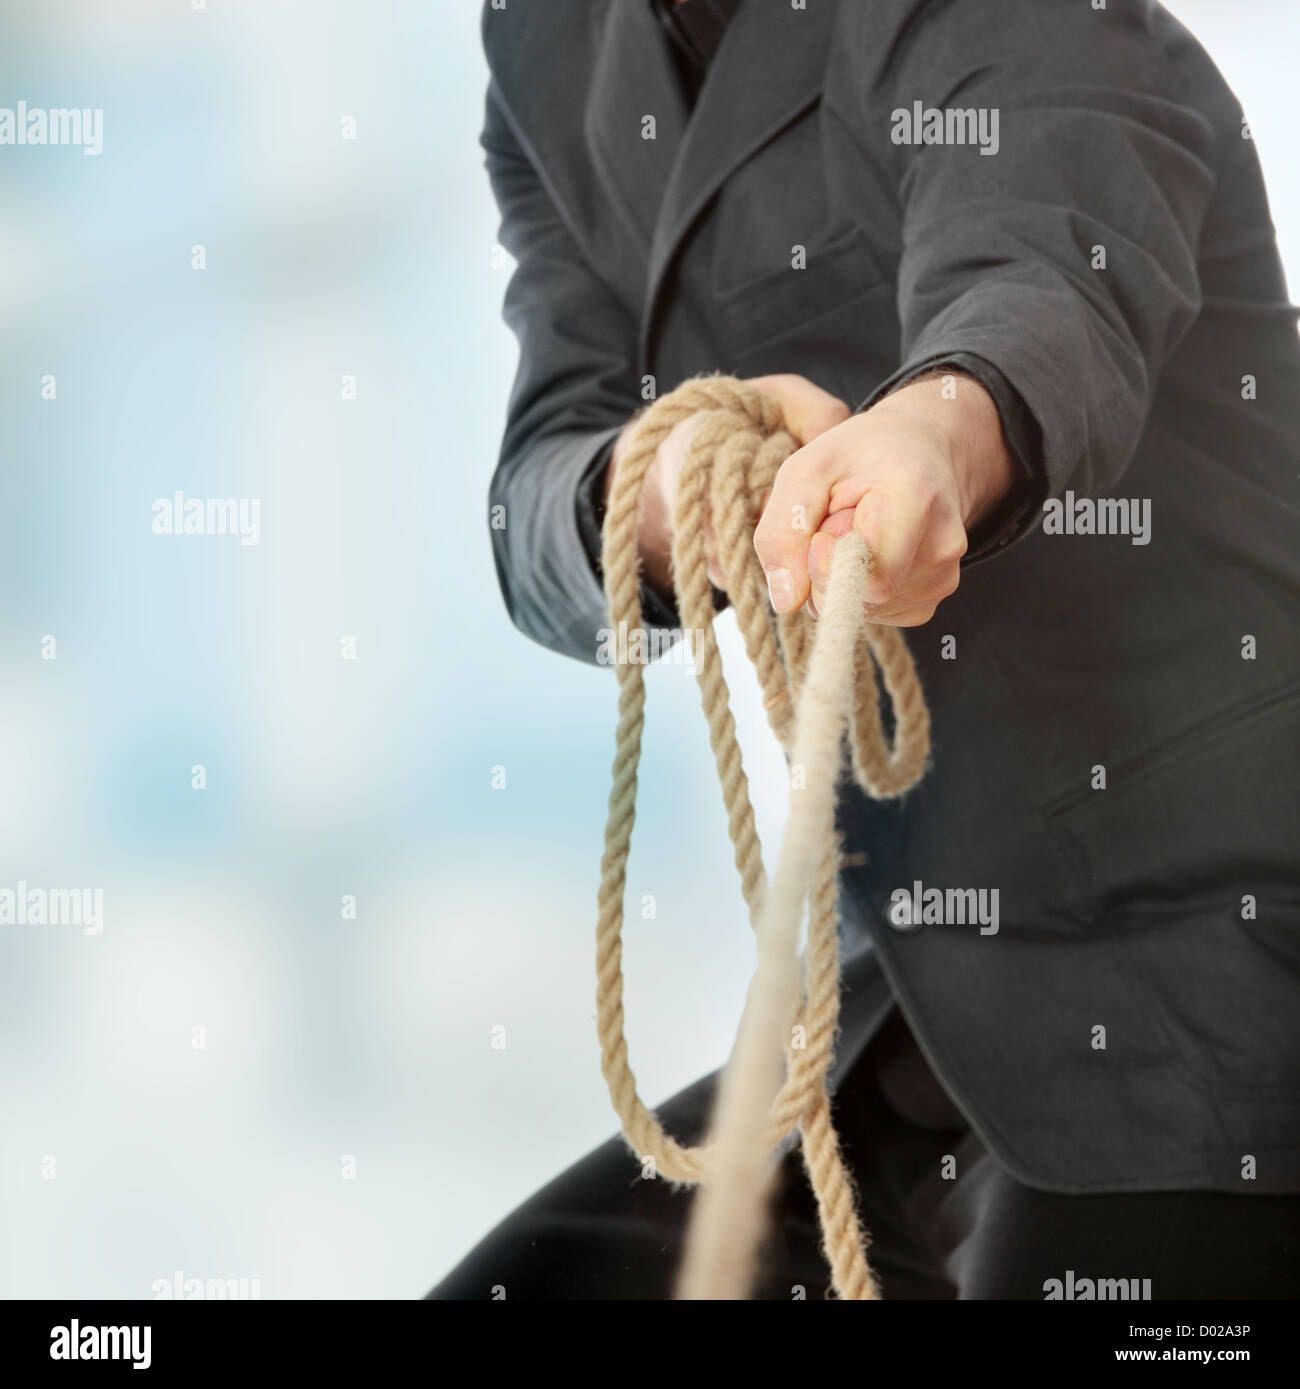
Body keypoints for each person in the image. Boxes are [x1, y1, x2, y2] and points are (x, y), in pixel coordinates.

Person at [431, 0, 1300, 1298]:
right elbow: (545, 474)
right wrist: (656, 486)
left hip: (1200, 977)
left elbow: (1045, 277)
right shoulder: (544, 44)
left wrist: (931, 440)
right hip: (879, 1024)